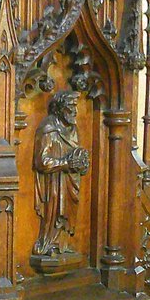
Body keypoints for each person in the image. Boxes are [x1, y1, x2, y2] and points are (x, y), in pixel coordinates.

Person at [32, 90, 89, 257]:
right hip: (53, 182)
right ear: (60, 108)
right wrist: (65, 163)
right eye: (70, 107)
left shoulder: (73, 129)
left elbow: (76, 153)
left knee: (68, 212)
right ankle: (48, 243)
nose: (75, 111)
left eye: (75, 107)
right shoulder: (48, 129)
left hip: (69, 180)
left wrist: (81, 164)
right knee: (54, 211)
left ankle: (62, 244)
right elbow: (41, 161)